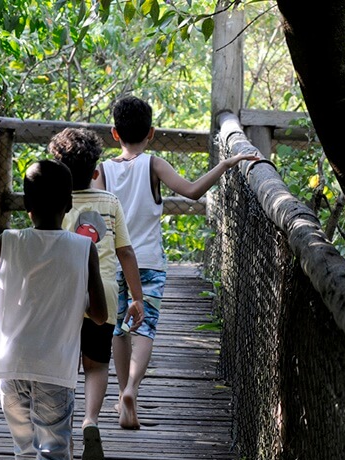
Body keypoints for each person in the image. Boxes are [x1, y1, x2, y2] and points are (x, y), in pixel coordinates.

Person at [95, 95, 260, 430]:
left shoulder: (103, 172)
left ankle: (124, 392)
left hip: (113, 262)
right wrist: (225, 165)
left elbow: (94, 216)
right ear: (151, 132)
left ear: (114, 133)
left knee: (119, 328)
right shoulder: (154, 164)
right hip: (150, 262)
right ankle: (131, 390)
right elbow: (193, 191)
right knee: (146, 326)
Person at [0, 159, 108, 460]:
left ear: (26, 205)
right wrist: (77, 297)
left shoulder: (9, 241)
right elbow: (100, 315)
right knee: (54, 456)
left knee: (25, 456)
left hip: (12, 366)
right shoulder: (83, 249)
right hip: (56, 370)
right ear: (69, 204)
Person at [48, 127, 145, 460]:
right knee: (96, 365)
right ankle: (91, 419)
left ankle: (64, 434)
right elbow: (127, 254)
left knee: (63, 367)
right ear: (95, 172)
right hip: (101, 295)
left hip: (61, 295)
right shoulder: (110, 202)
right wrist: (138, 298)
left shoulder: (54, 204)